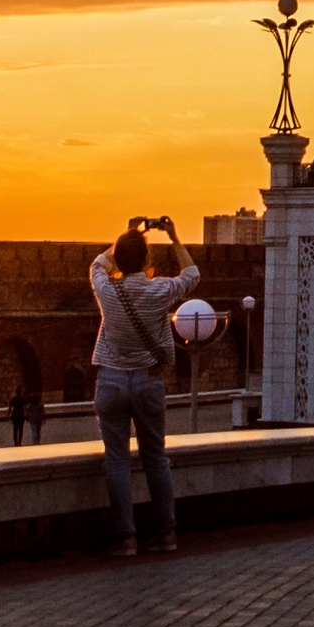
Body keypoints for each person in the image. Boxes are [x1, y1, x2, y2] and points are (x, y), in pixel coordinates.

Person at [89, 217, 198, 555]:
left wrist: (126, 236)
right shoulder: (159, 290)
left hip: (111, 380)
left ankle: (125, 538)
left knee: (117, 460)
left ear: (119, 259)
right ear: (148, 261)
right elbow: (192, 275)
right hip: (149, 381)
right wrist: (174, 237)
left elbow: (97, 264)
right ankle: (166, 533)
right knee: (155, 458)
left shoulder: (107, 289)